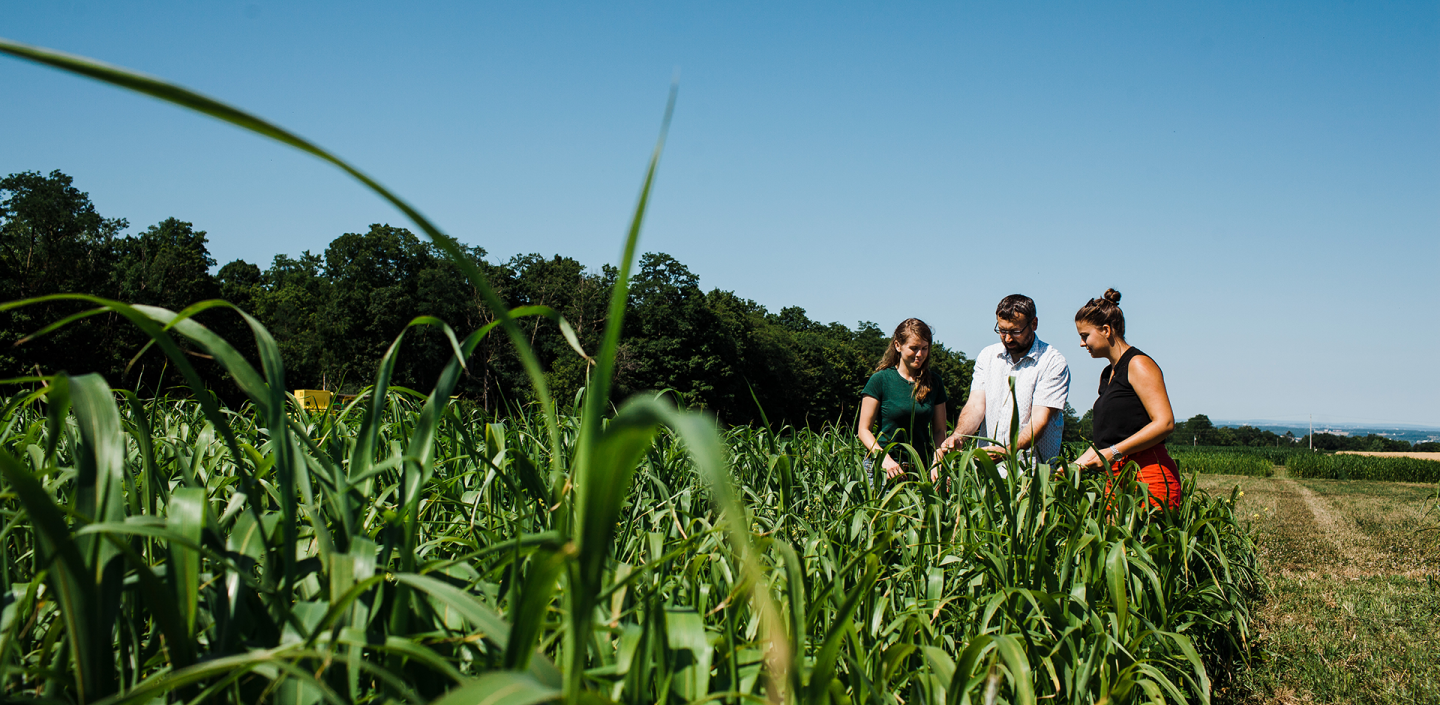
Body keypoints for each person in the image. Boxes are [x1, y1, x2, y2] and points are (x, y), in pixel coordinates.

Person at [936, 294, 1070, 476]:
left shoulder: (1052, 361)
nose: (1007, 339)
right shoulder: (988, 355)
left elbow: (1039, 420)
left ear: (1034, 324)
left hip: (1030, 475)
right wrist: (959, 435)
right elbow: (976, 406)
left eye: (1015, 332)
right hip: (987, 472)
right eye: (1001, 330)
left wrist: (1007, 451)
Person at [1072, 289, 1181, 510]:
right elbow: (1107, 441)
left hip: (1148, 476)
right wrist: (1074, 466)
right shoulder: (1107, 374)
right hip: (1117, 478)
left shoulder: (1138, 364)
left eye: (1085, 336)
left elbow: (1165, 422)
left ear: (1105, 330)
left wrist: (1113, 452)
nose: (1082, 344)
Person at [858, 319, 949, 483]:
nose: (919, 354)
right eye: (914, 348)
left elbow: (940, 431)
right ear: (898, 346)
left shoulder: (935, 382)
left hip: (921, 468)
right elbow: (864, 430)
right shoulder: (880, 380)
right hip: (884, 468)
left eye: (924, 348)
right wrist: (884, 459)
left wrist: (937, 462)